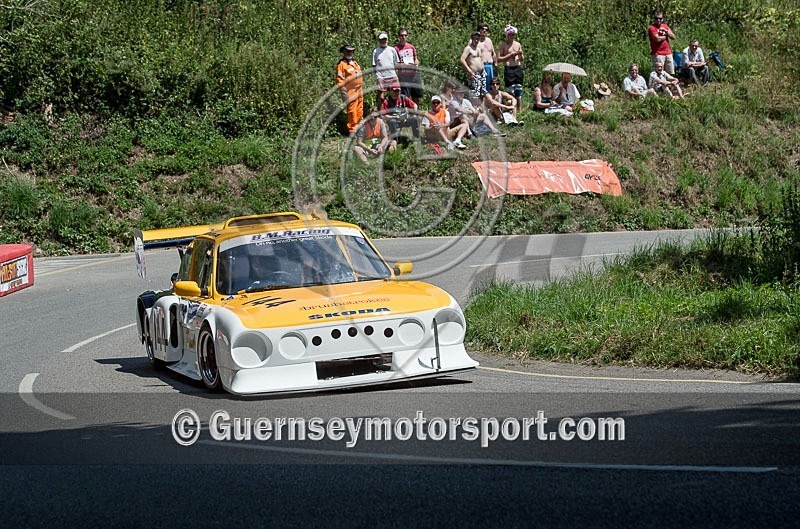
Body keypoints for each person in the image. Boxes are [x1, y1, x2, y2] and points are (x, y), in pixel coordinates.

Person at [336, 43, 363, 135]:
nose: (349, 52)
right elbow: (340, 80)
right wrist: (344, 93)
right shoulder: (341, 64)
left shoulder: (355, 62)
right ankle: (352, 130)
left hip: (359, 90)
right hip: (350, 91)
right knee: (352, 111)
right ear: (343, 52)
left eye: (351, 51)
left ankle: (358, 127)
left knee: (359, 109)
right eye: (347, 51)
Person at [497, 24, 524, 113]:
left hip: (517, 67)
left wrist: (519, 55)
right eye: (510, 34)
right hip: (508, 69)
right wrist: (509, 55)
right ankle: (510, 108)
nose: (512, 36)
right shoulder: (503, 45)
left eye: (513, 35)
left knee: (518, 90)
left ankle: (520, 110)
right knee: (510, 90)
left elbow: (522, 58)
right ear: (507, 35)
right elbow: (499, 59)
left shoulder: (518, 44)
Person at [372, 31, 400, 110]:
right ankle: (381, 113)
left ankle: (396, 110)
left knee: (396, 94)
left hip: (392, 75)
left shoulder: (392, 50)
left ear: (387, 39)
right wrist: (377, 76)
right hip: (381, 77)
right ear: (379, 40)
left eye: (385, 39)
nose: (383, 41)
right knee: (381, 97)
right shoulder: (376, 51)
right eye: (381, 39)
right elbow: (374, 65)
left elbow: (396, 62)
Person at [394, 28, 422, 103]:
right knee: (405, 96)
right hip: (404, 76)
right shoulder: (395, 49)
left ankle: (416, 113)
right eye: (402, 35)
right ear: (398, 36)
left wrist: (416, 63)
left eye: (405, 35)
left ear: (407, 36)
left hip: (414, 74)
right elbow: (395, 64)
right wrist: (403, 65)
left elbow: (416, 59)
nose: (403, 37)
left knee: (416, 95)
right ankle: (407, 112)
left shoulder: (411, 47)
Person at [460, 32, 486, 105]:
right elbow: (462, 59)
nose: (477, 41)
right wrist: (469, 70)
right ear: (472, 39)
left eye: (478, 39)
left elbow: (481, 59)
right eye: (475, 39)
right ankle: (473, 109)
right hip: (474, 73)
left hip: (482, 73)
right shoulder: (468, 48)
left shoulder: (478, 49)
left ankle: (481, 109)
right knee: (474, 93)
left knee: (482, 92)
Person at [648, 10, 676, 74]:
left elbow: (673, 37)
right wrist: (665, 36)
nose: (658, 20)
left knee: (670, 73)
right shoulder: (652, 28)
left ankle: (669, 84)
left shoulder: (665, 26)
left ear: (662, 19)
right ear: (654, 19)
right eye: (656, 18)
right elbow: (657, 39)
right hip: (658, 54)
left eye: (660, 18)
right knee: (658, 73)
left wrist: (666, 31)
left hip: (668, 53)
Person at [477, 23, 496, 88]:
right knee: (480, 88)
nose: (484, 31)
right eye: (482, 29)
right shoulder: (475, 41)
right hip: (480, 67)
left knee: (491, 87)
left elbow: (493, 53)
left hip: (490, 66)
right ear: (479, 30)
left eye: (486, 30)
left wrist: (496, 64)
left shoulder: (489, 40)